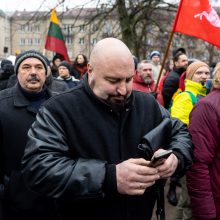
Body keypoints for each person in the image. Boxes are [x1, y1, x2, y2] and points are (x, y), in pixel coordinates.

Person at [21, 38, 193, 220]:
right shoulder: (58, 110)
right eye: (113, 80)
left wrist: (176, 157)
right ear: (90, 70)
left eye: (128, 79)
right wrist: (108, 177)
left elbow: (179, 131)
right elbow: (38, 168)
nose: (123, 90)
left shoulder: (147, 103)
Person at [0, 50, 59, 220]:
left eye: (39, 67)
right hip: (16, 206)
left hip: (56, 202)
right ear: (17, 72)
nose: (33, 72)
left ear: (46, 72)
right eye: (26, 67)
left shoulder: (62, 103)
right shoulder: (2, 104)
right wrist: (8, 188)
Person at [170, 61, 210, 219]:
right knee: (190, 202)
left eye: (207, 73)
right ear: (190, 75)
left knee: (186, 200)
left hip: (201, 154)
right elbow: (179, 128)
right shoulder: (185, 97)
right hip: (191, 156)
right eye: (199, 73)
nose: (204, 76)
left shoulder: (204, 95)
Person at [186, 66, 220, 220]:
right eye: (199, 72)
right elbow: (198, 164)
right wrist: (206, 214)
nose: (203, 75)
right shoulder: (207, 107)